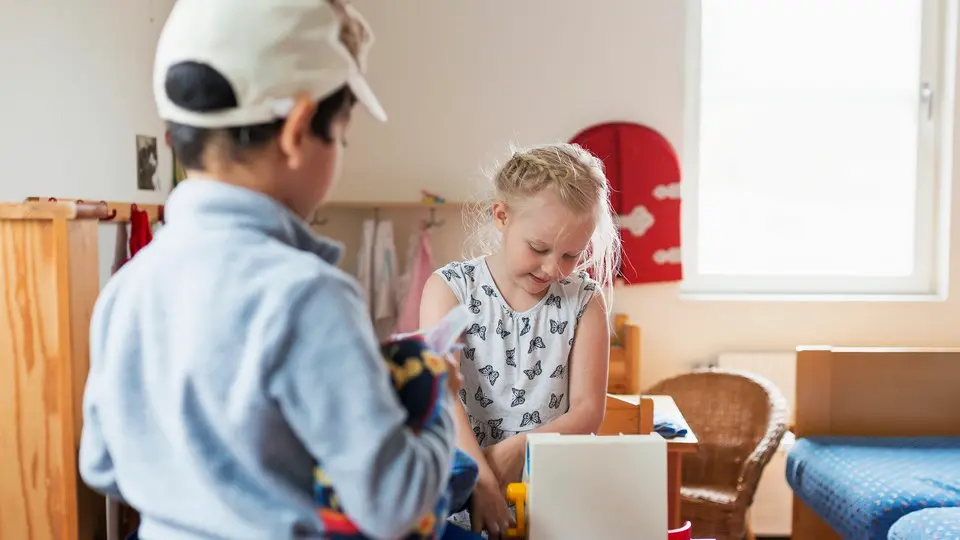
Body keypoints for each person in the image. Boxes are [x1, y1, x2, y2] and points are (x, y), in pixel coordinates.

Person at [78, 1, 459, 539]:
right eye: (343, 135)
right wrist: (435, 399)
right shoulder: (310, 296)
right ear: (298, 128)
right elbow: (393, 503)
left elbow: (102, 463)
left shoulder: (127, 288)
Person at [419, 143, 621, 538]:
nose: (552, 269)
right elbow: (441, 396)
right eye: (539, 248)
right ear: (501, 215)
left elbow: (587, 411)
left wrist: (516, 448)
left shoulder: (584, 299)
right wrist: (483, 482)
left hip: (554, 497)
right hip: (464, 487)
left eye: (570, 256)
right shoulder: (449, 288)